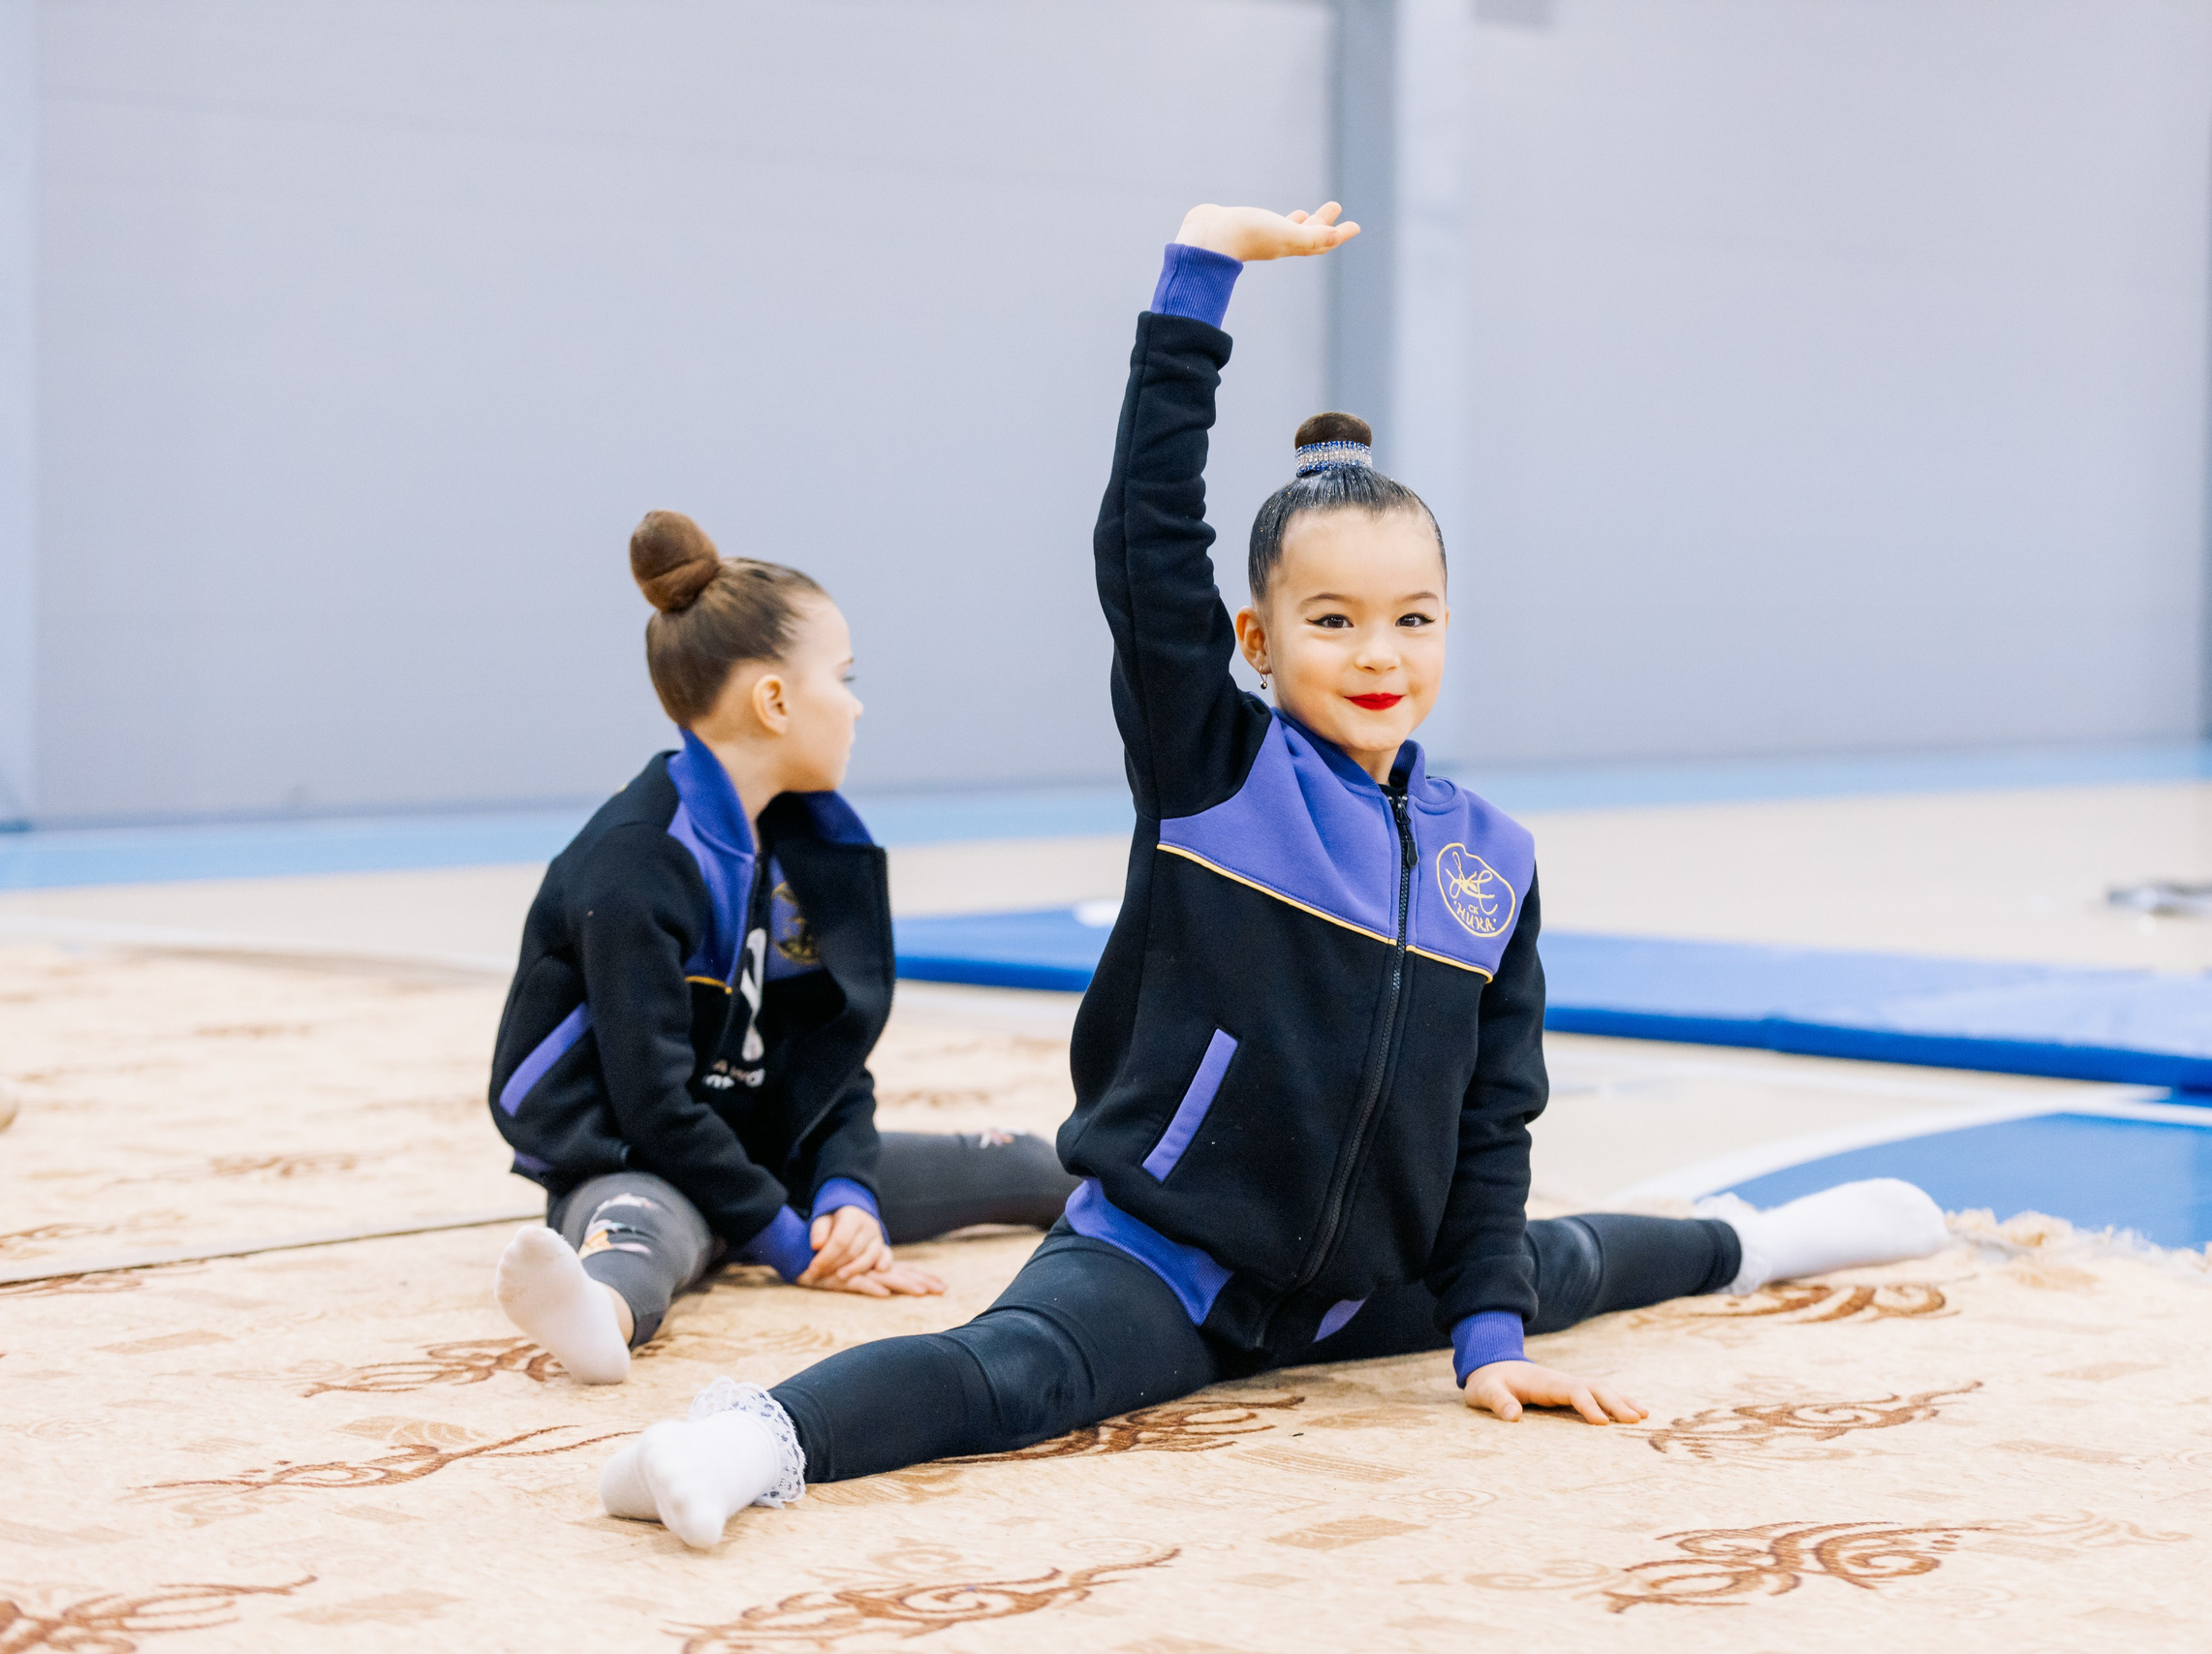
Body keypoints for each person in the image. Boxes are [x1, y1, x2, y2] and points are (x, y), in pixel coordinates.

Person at [595, 202, 1951, 1545]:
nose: (1380, 654)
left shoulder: (1492, 858)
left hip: (1365, 1284)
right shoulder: (1218, 773)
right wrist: (1201, 282)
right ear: (1256, 637)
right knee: (1016, 1372)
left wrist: (1488, 1338)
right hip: (1168, 1263)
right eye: (1334, 620)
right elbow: (1144, 542)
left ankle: (1768, 1240)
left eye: (1413, 618)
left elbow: (1493, 1118)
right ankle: (735, 1443)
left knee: (1563, 1262)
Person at [485, 510, 1075, 1384]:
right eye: (843, 676)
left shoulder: (802, 841)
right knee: (643, 1233)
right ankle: (600, 1314)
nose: (856, 703)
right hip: (642, 1160)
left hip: (767, 1146)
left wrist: (847, 1193)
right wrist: (790, 1242)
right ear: (774, 701)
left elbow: (829, 1054)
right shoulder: (636, 860)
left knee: (1026, 1161)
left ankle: (1188, 1202)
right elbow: (652, 1107)